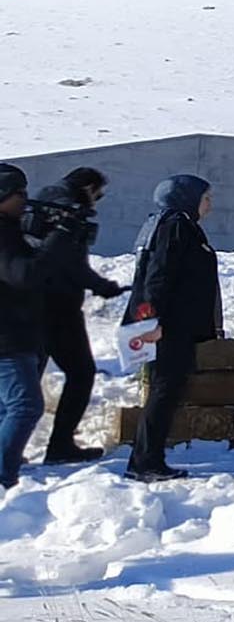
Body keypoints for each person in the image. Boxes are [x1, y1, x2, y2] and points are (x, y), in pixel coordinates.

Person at [123, 175, 219, 481]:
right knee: (164, 390)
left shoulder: (176, 224)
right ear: (187, 198)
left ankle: (147, 457)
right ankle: (145, 461)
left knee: (166, 390)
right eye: (205, 197)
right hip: (169, 326)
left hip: (173, 323)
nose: (210, 203)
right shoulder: (174, 226)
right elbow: (159, 276)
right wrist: (153, 322)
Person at [0, 164, 83, 488]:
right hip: (7, 336)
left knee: (10, 405)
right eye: (19, 193)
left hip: (16, 330)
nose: (25, 199)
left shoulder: (10, 229)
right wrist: (58, 238)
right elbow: (24, 274)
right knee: (25, 405)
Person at [33, 166, 124, 465]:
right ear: (88, 187)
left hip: (30, 304)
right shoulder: (68, 211)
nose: (99, 200)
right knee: (81, 374)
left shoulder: (41, 205)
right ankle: (60, 445)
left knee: (27, 378)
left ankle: (9, 447)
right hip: (59, 307)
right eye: (99, 193)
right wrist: (101, 286)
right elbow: (69, 262)